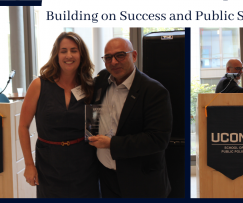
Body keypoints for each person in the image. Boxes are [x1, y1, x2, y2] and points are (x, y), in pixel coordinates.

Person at [88, 37, 172, 198]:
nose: (113, 62)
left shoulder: (154, 91)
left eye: (120, 55)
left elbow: (158, 139)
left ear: (133, 56)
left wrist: (112, 144)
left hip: (141, 182)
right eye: (108, 57)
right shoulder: (101, 81)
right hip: (106, 178)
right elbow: (92, 109)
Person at [18, 32, 99, 198]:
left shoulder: (90, 86)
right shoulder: (39, 84)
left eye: (74, 50)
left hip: (84, 165)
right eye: (63, 51)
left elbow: (93, 128)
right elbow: (23, 126)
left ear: (81, 54)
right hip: (48, 165)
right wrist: (29, 164)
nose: (68, 55)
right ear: (56, 54)